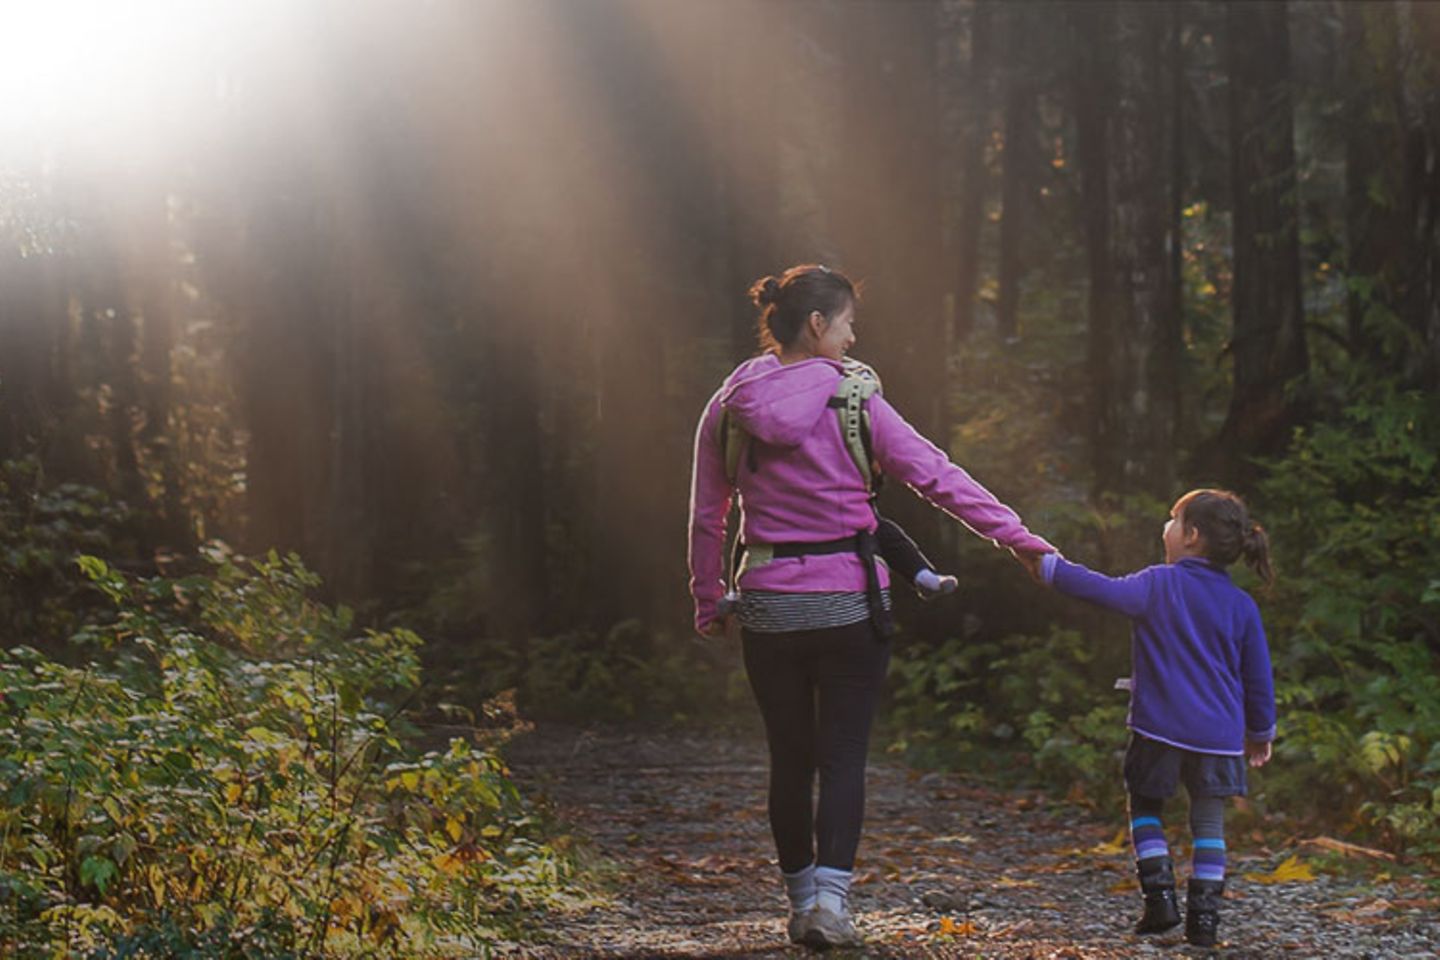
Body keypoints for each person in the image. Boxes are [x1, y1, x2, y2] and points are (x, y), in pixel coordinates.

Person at [687, 263, 1054, 948]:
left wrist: (710, 598)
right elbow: (937, 477)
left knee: (788, 759)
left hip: (768, 604)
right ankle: (832, 905)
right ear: (819, 324)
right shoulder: (855, 400)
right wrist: (1021, 541)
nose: (854, 339)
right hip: (851, 604)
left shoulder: (728, 402)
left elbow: (709, 515)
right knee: (843, 758)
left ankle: (800, 908)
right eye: (849, 323)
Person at [1029, 488, 1276, 947]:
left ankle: (1160, 899)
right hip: (1219, 736)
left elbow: (1099, 588)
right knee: (1209, 824)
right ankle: (1204, 921)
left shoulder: (1157, 584)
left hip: (1159, 727)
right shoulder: (1242, 605)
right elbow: (1258, 677)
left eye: (1172, 519)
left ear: (1191, 536)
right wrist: (1260, 732)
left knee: (1144, 805)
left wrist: (1047, 566)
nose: (1165, 527)